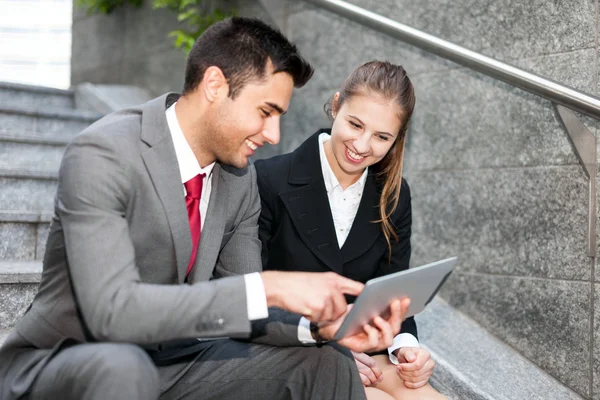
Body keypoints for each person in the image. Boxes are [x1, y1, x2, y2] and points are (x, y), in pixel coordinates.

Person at [0, 20, 411, 400]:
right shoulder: (104, 153)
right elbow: (112, 312)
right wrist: (269, 286)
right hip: (71, 361)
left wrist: (320, 328)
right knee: (121, 367)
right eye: (266, 112)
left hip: (171, 363)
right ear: (215, 84)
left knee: (325, 361)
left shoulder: (239, 179)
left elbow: (249, 306)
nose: (273, 135)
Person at [255, 61, 447, 400]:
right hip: (287, 348)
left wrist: (406, 349)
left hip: (367, 353)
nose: (361, 145)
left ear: (397, 139)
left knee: (421, 394)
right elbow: (249, 295)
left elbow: (393, 297)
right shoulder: (268, 179)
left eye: (381, 136)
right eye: (355, 124)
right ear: (335, 105)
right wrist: (330, 351)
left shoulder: (395, 197)